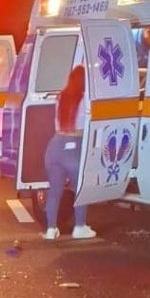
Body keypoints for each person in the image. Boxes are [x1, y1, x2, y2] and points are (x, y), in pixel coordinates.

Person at [43, 65, 96, 240]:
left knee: (55, 191)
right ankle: (79, 226)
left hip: (55, 146)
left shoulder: (60, 97)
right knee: (80, 188)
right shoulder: (85, 99)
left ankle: (51, 229)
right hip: (74, 146)